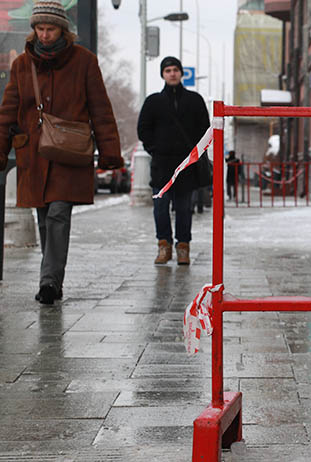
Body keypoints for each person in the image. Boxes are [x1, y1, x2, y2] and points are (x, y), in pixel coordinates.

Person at [0, 1, 122, 305]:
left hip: (69, 153)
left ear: (63, 30)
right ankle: (52, 278)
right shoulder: (21, 64)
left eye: (50, 29)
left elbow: (101, 109)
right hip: (34, 155)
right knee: (44, 217)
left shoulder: (84, 61)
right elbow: (8, 112)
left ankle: (49, 282)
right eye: (40, 29)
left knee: (58, 213)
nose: (44, 35)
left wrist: (110, 151)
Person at [137, 56, 209, 265]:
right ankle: (164, 245)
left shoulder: (194, 100)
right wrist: (155, 150)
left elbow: (204, 129)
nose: (172, 74)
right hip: (161, 164)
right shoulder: (153, 101)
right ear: (163, 74)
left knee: (184, 208)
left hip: (186, 164)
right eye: (168, 70)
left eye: (175, 70)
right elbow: (143, 129)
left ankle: (183, 247)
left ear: (181, 73)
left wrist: (195, 152)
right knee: (160, 207)